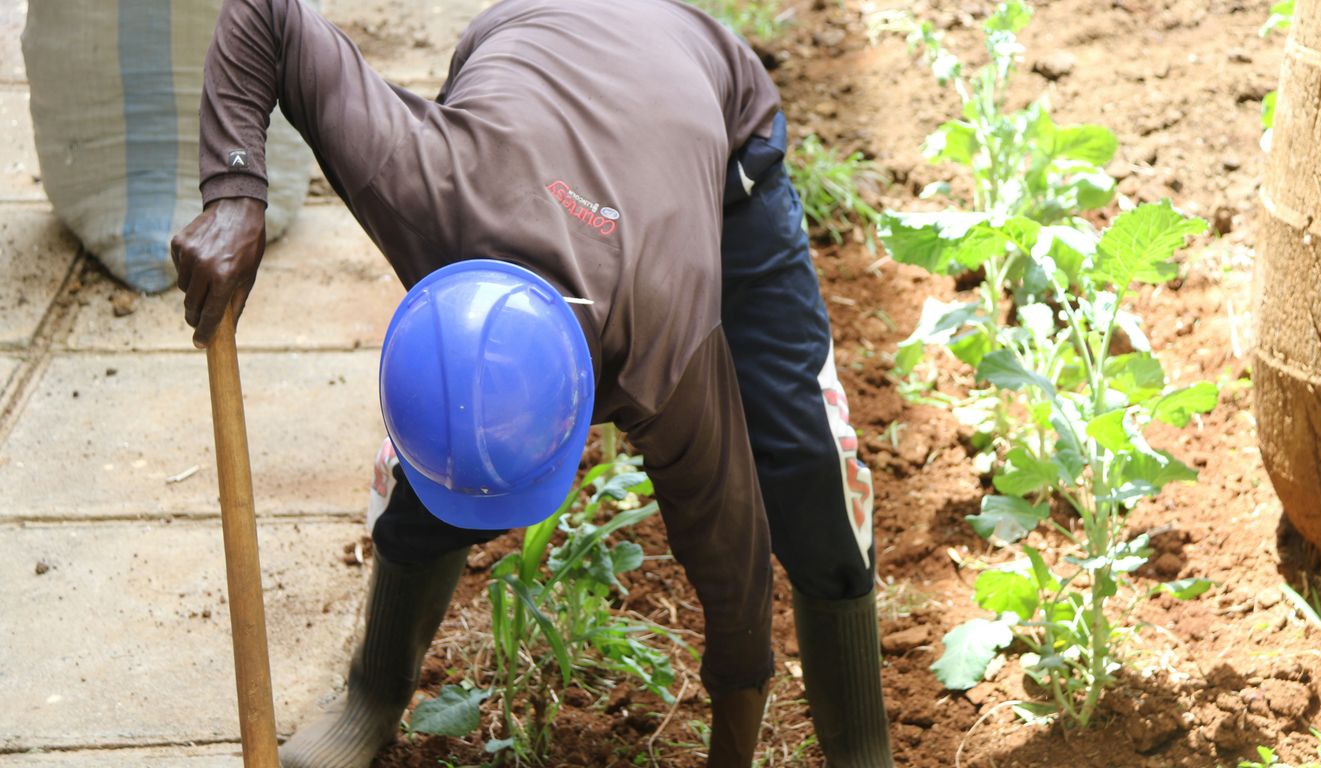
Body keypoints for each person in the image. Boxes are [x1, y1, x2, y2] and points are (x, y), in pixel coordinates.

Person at [169, 1, 894, 766]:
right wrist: (234, 193)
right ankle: (372, 696)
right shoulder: (419, 184)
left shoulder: (666, 346)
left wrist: (730, 749)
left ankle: (863, 744)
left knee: (804, 460)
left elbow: (732, 556)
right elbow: (267, 14)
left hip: (714, 120)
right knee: (447, 441)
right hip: (530, 37)